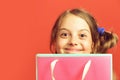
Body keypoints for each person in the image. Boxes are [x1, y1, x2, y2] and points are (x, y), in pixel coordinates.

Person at [50, 8, 118, 79]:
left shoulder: (106, 76)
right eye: (64, 34)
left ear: (93, 44)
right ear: (55, 41)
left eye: (82, 35)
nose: (73, 42)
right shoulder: (45, 72)